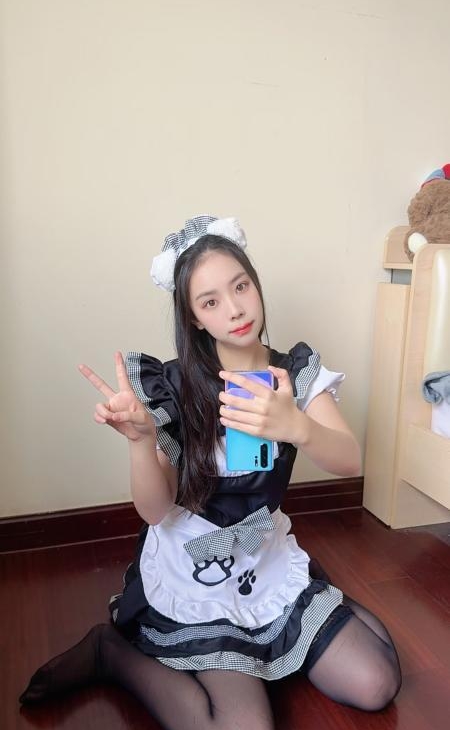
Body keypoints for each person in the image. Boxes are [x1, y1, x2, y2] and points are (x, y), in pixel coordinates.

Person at [20, 216, 401, 729]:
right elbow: (154, 510)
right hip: (196, 570)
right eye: (210, 301)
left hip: (263, 555)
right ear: (194, 318)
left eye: (240, 287)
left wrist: (298, 426)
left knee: (377, 682)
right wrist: (141, 442)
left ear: (255, 284)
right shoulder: (174, 386)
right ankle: (110, 652)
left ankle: (289, 622)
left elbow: (349, 460)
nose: (235, 309)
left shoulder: (293, 372)